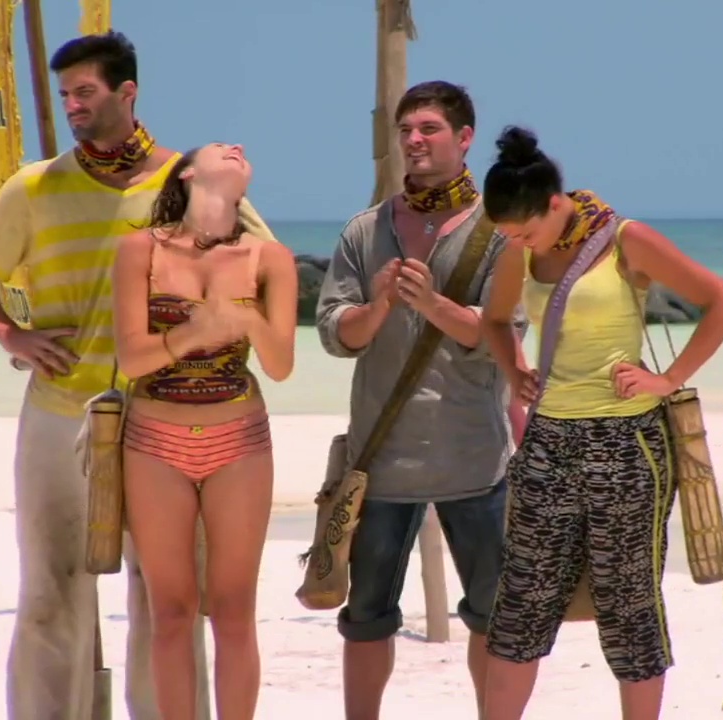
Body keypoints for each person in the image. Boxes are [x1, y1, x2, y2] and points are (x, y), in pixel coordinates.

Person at [0, 32, 278, 720]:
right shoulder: (35, 186)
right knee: (51, 592)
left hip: (167, 417)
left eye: (86, 92)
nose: (73, 105)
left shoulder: (188, 180)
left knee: (168, 600)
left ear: (127, 93)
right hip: (59, 412)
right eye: (65, 94)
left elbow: (264, 269)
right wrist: (10, 334)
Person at [478, 126, 723, 720]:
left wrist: (667, 379)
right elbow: (494, 321)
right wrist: (514, 369)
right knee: (521, 605)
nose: (518, 243)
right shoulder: (520, 250)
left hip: (626, 444)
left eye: (524, 231)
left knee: (629, 608)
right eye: (508, 235)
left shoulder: (626, 239)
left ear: (555, 203)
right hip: (548, 441)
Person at [315, 80, 523, 720]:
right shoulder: (365, 230)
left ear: (465, 138)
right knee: (365, 618)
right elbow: (335, 334)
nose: (413, 140)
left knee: (493, 617)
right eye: (406, 130)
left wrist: (432, 303)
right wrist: (379, 305)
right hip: (380, 463)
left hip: (475, 460)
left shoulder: (499, 233)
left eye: (429, 128)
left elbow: (503, 337)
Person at [111, 142, 296, 719]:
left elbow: (281, 365)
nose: (237, 148)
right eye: (221, 147)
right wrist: (195, 333)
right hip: (154, 443)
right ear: (187, 172)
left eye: (241, 150)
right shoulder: (139, 250)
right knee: (170, 612)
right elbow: (132, 359)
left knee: (234, 610)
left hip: (238, 440)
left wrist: (246, 319)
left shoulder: (270, 259)